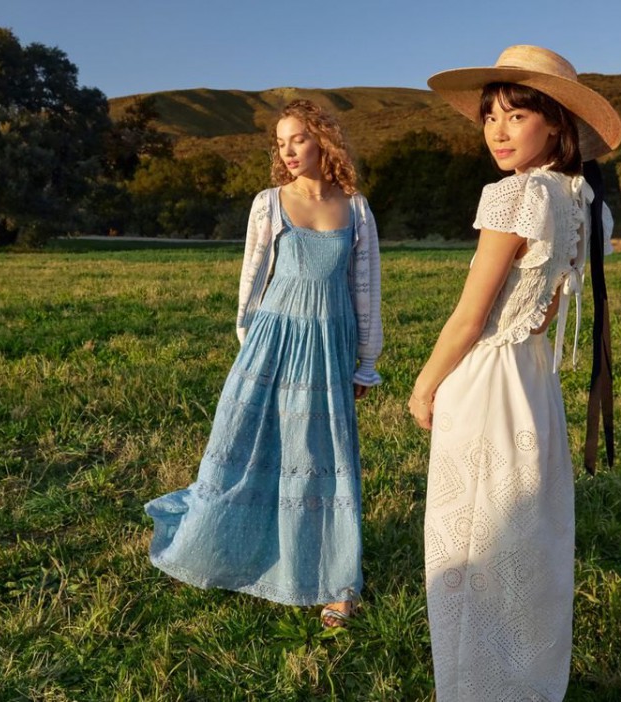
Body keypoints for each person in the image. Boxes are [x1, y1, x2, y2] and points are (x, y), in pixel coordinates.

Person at [409, 46, 621, 699]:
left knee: (471, 539)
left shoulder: (517, 195)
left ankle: (474, 681)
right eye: (490, 117)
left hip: (487, 381)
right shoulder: (582, 200)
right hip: (533, 380)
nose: (498, 132)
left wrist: (424, 384)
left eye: (517, 116)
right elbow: (547, 307)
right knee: (524, 538)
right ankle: (521, 677)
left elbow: (471, 316)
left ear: (555, 123)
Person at [145, 99, 382, 628]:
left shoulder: (356, 208)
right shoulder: (269, 203)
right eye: (281, 142)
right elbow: (251, 280)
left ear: (323, 139)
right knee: (246, 445)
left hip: (328, 343)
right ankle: (222, 548)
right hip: (273, 340)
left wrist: (365, 362)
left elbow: (365, 289)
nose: (288, 151)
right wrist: (250, 344)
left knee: (320, 454)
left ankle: (336, 582)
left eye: (298, 138)